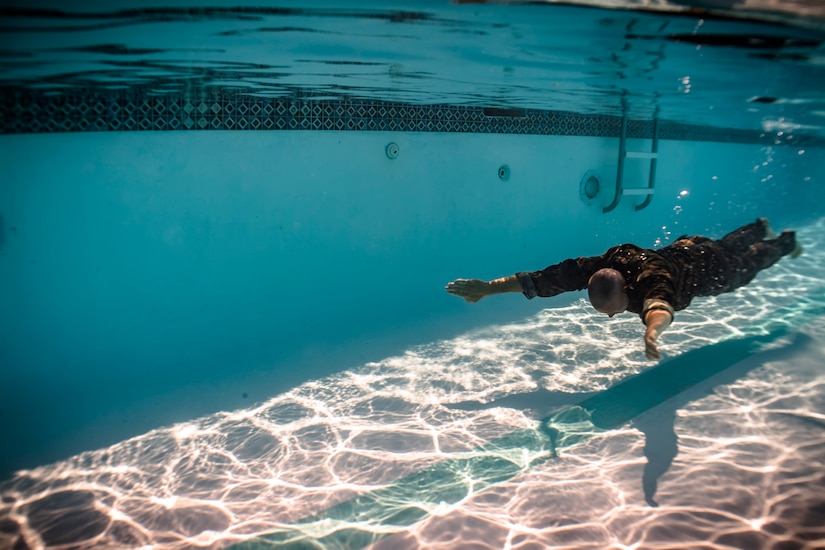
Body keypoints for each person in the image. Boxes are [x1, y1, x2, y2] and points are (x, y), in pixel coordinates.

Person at [445, 218, 802, 360]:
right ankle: (758, 227)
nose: (613, 316)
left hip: (707, 268)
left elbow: (660, 308)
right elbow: (537, 280)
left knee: (746, 265)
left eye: (613, 309)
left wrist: (651, 335)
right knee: (725, 244)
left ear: (628, 290)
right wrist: (485, 288)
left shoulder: (652, 283)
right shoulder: (593, 269)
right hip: (689, 245)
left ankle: (784, 242)